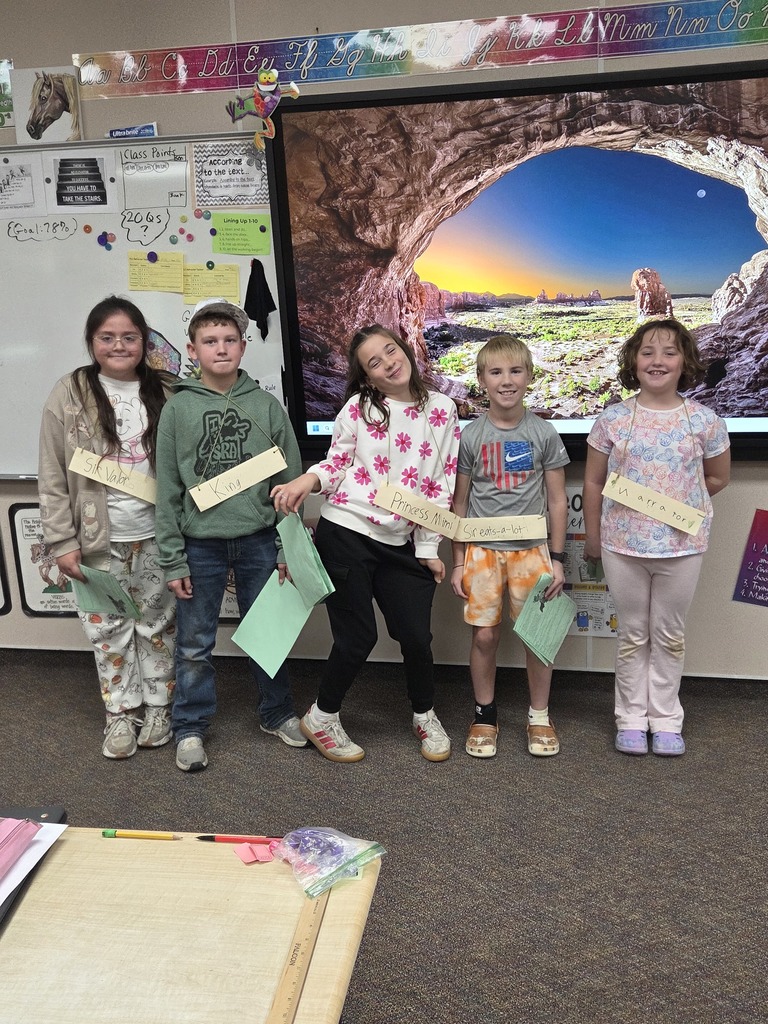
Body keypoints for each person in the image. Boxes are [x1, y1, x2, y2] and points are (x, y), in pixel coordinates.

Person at [272, 325, 460, 762]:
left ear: (406, 350)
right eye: (374, 362)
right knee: (357, 638)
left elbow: (440, 482)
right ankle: (322, 717)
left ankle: (424, 713)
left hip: (402, 541)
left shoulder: (443, 409)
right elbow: (337, 462)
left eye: (390, 351)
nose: (388, 363)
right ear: (367, 377)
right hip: (348, 530)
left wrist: (429, 547)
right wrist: (309, 478)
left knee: (416, 636)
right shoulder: (359, 408)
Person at [154, 298, 305, 772]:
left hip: (260, 538)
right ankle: (191, 726)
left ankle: (276, 713)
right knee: (195, 640)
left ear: (243, 346)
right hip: (200, 544)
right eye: (209, 341)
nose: (220, 349)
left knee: (268, 634)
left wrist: (285, 545)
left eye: (229, 340)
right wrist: (173, 559)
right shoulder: (177, 410)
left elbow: (291, 482)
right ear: (192, 349)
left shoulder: (265, 406)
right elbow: (168, 490)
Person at [582, 318, 730, 756]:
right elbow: (593, 481)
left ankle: (665, 719)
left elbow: (718, 477)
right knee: (632, 633)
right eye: (647, 352)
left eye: (669, 352)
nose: (658, 360)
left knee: (669, 633)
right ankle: (629, 717)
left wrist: (675, 501)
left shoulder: (705, 421)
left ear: (685, 361)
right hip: (622, 546)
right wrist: (594, 536)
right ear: (633, 360)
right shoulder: (613, 419)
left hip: (681, 547)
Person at [38, 296, 177, 759]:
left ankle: (159, 707)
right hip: (97, 540)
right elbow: (53, 474)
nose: (119, 345)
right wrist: (61, 540)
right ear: (92, 342)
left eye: (129, 337)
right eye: (107, 337)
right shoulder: (70, 392)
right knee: (107, 629)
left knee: (156, 625)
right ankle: (120, 713)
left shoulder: (168, 391)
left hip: (156, 535)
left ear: (145, 342)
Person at [450, 335, 569, 759]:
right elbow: (460, 503)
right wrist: (458, 561)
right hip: (482, 554)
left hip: (531, 553)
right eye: (496, 372)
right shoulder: (471, 436)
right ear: (481, 379)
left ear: (529, 376)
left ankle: (539, 716)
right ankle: (485, 714)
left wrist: (557, 559)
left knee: (537, 638)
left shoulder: (543, 433)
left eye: (515, 371)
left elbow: (557, 501)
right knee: (484, 636)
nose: (506, 380)